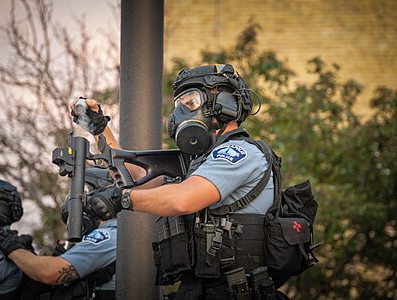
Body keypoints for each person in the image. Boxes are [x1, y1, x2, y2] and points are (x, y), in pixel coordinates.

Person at [69, 63, 285, 299]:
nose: (179, 113)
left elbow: (182, 199)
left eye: (190, 102)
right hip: (202, 289)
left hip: (235, 291)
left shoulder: (240, 153)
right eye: (179, 105)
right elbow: (133, 179)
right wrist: (99, 128)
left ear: (224, 105)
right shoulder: (198, 163)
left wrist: (122, 200)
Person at [0, 167, 117, 300]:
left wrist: (13, 249)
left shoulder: (107, 236)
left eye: (79, 193)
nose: (73, 201)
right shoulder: (118, 234)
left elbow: (48, 273)